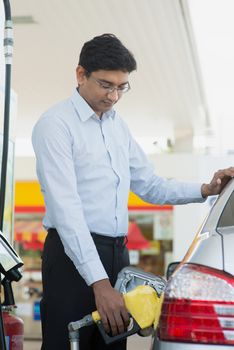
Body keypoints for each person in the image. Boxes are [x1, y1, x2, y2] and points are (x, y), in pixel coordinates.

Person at [32, 33, 234, 350]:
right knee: (67, 344)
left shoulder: (117, 126)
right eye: (105, 85)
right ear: (80, 74)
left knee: (112, 346)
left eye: (121, 87)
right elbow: (66, 210)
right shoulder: (55, 125)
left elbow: (151, 185)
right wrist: (99, 283)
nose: (113, 96)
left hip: (117, 256)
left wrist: (206, 189)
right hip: (71, 259)